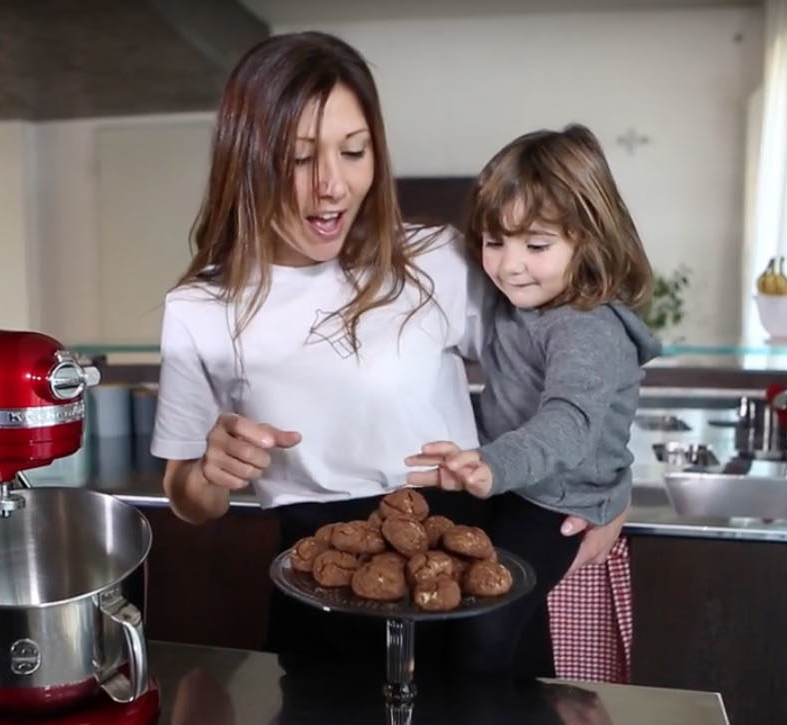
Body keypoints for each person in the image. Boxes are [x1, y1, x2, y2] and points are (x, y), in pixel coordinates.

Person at [151, 31, 621, 673]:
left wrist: (612, 490)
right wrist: (209, 472)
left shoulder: (438, 259)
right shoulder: (198, 309)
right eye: (297, 158)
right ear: (246, 160)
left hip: (467, 579)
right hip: (318, 587)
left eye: (353, 151)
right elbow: (185, 497)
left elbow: (576, 363)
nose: (332, 187)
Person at [405, 125, 660, 677]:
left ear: (588, 240)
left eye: (536, 245)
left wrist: (491, 465)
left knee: (488, 617)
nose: (510, 264)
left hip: (560, 500)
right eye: (495, 242)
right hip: (519, 482)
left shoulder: (586, 328)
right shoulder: (523, 300)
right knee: (498, 616)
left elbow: (568, 422)